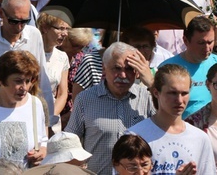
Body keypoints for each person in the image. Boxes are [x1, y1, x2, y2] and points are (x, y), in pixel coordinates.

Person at [65, 41, 155, 175]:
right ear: (104, 69)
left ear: (137, 72)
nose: (123, 75)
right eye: (116, 68)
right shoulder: (85, 99)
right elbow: (70, 141)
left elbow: (170, 123)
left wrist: (152, 84)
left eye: (129, 69)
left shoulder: (147, 97)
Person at [127, 65, 217, 175]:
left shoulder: (200, 138)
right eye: (172, 93)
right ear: (156, 93)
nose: (179, 100)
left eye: (184, 93)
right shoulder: (135, 136)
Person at [160, 16, 217, 118]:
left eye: (210, 42)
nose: (207, 48)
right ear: (186, 41)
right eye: (201, 43)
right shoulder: (168, 68)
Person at [37, 13, 71, 132]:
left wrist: (50, 117)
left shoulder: (62, 57)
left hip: (52, 118)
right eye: (61, 28)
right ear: (45, 27)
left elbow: (62, 93)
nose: (65, 33)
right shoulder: (29, 52)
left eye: (67, 29)